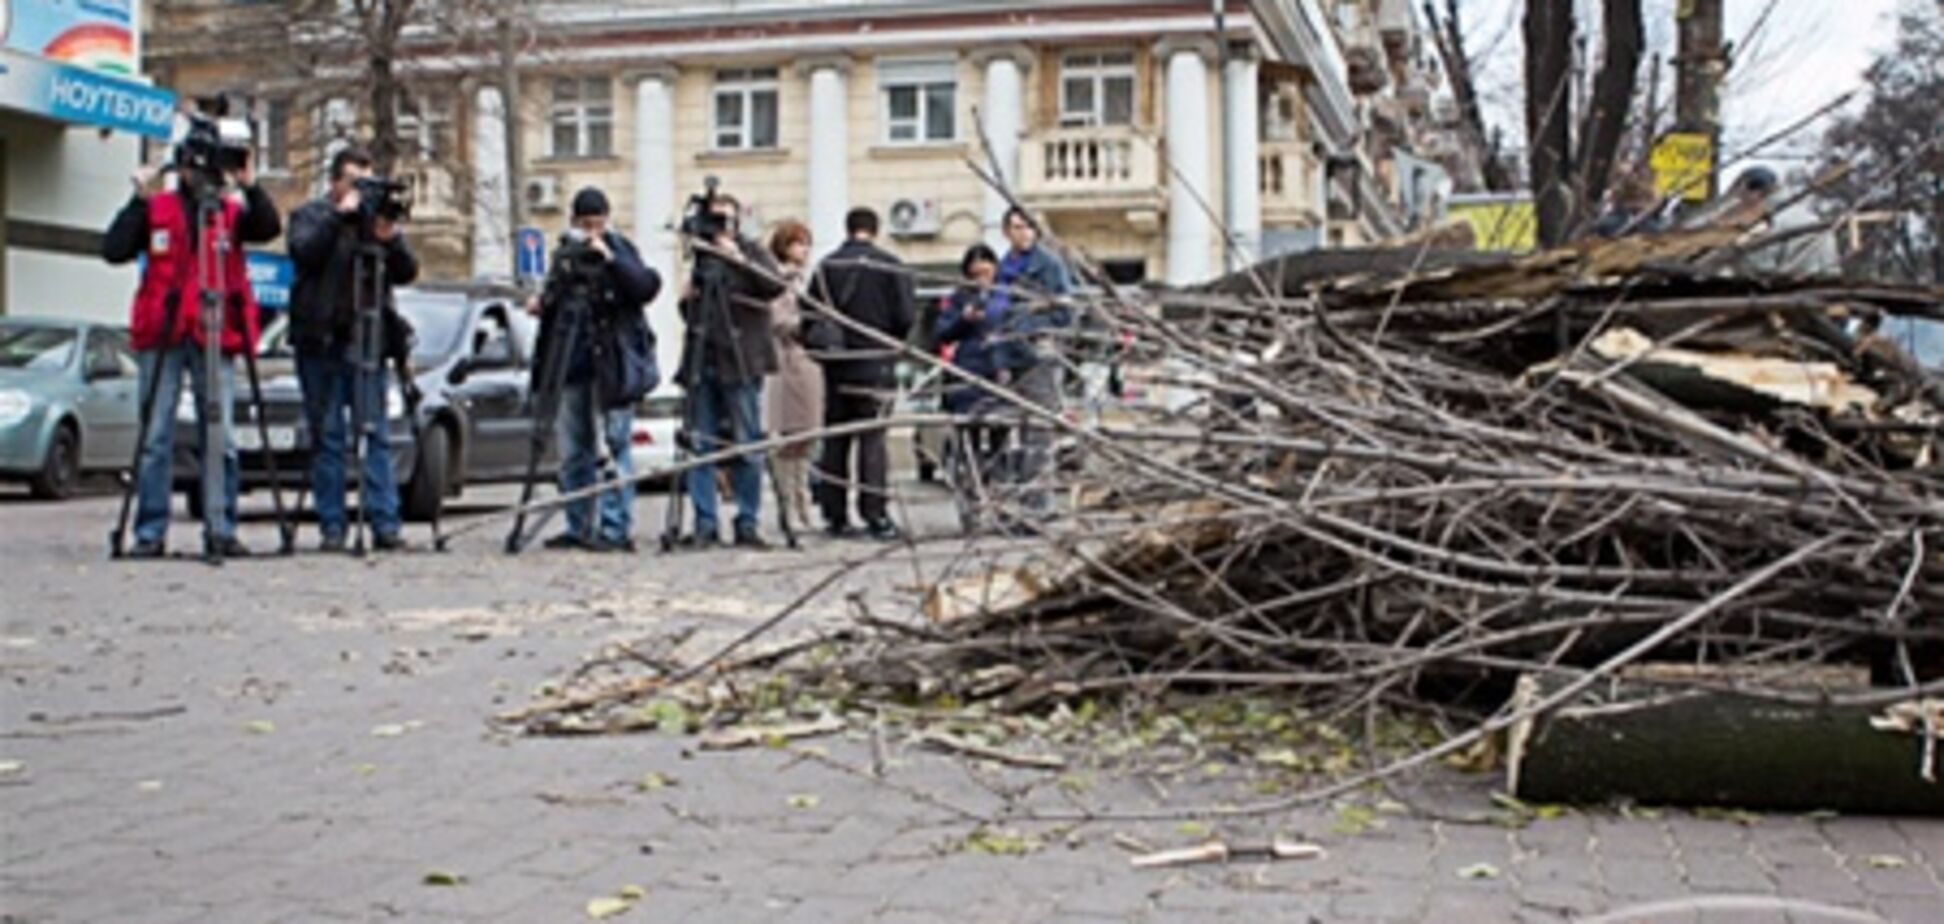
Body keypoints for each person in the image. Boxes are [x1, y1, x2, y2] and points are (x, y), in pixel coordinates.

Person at [102, 126, 282, 558]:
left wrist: (250, 185)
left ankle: (221, 525)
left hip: (213, 328)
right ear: (181, 167)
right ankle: (150, 530)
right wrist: (137, 202)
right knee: (156, 434)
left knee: (219, 433)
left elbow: (268, 227)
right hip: (163, 331)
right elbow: (114, 249)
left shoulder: (228, 213)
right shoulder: (158, 208)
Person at [286, 147, 420, 552]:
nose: (361, 192)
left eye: (367, 182)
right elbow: (303, 252)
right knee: (327, 436)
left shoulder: (372, 224)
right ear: (335, 183)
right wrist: (338, 217)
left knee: (375, 432)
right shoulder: (311, 215)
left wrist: (390, 238)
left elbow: (406, 271)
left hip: (368, 342)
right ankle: (332, 525)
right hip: (321, 341)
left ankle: (385, 521)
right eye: (354, 181)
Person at [530, 187, 663, 552]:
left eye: (598, 224)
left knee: (616, 446)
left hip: (612, 366)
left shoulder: (619, 249)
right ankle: (579, 524)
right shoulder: (566, 255)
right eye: (585, 225)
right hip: (573, 364)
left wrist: (610, 259)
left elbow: (646, 287)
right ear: (573, 221)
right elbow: (556, 301)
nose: (591, 232)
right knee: (574, 450)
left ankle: (615, 526)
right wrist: (544, 302)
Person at [675, 191, 785, 548]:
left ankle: (747, 520)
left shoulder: (752, 251)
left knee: (748, 443)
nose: (719, 227)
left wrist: (737, 258)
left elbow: (774, 286)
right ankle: (705, 521)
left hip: (743, 360)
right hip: (704, 358)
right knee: (700, 444)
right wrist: (687, 296)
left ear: (738, 222)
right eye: (714, 219)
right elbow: (691, 314)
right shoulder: (700, 257)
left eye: (726, 220)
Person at [809, 207, 916, 540]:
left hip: (837, 365)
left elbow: (809, 315)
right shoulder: (890, 264)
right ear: (876, 228)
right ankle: (875, 514)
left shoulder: (827, 266)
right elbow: (905, 315)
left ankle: (834, 513)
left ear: (848, 228)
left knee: (836, 440)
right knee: (872, 441)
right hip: (875, 361)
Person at [992, 206, 1075, 520]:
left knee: (1040, 434)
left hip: (1039, 357)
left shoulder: (1049, 266)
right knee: (1020, 435)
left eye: (1027, 227)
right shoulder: (1004, 268)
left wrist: (1032, 323)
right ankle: (1025, 503)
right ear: (1006, 232)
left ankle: (1037, 507)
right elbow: (998, 316)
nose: (1022, 232)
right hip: (1011, 359)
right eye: (1015, 227)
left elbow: (1065, 313)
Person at [764, 220, 825, 532]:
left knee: (808, 436)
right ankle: (788, 503)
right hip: (786, 359)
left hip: (808, 360)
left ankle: (804, 500)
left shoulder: (806, 279)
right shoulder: (776, 278)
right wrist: (808, 321)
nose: (804, 251)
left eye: (806, 244)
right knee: (788, 436)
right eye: (798, 244)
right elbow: (778, 319)